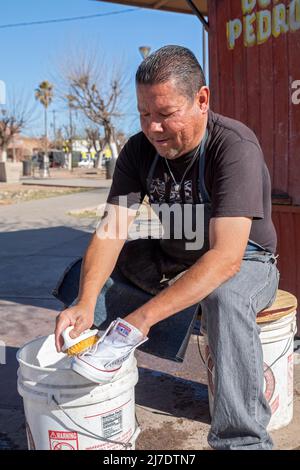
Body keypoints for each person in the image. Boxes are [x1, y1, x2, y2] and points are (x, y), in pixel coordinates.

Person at [54, 45, 279, 450]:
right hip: (180, 250)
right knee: (84, 277)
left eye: (165, 114)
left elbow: (226, 258)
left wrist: (141, 318)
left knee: (225, 297)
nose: (153, 128)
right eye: (144, 114)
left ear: (202, 100)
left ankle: (243, 440)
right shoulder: (139, 150)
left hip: (246, 258)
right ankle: (101, 378)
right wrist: (85, 303)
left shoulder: (233, 147)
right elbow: (112, 229)